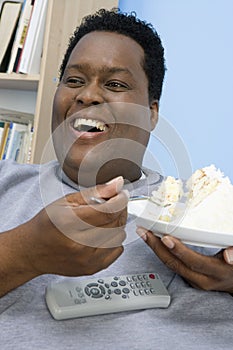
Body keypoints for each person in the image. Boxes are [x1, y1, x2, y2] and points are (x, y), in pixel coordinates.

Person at [0, 8, 233, 350]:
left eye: (115, 85)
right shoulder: (6, 181)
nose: (87, 96)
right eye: (74, 80)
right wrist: (25, 252)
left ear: (152, 112)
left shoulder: (207, 211)